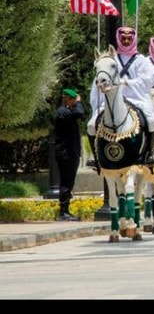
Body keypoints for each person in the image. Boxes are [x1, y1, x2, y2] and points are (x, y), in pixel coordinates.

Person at [87, 25, 154, 166]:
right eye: (123, 38)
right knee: (90, 125)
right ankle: (96, 158)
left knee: (151, 122)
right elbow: (100, 78)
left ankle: (148, 153)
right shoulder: (111, 59)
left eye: (129, 38)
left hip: (136, 98)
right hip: (113, 99)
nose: (126, 41)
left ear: (133, 39)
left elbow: (147, 80)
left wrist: (126, 82)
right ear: (119, 39)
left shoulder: (141, 60)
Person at [53, 88, 85, 221]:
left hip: (71, 153)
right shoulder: (62, 112)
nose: (75, 103)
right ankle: (63, 212)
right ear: (69, 99)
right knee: (66, 183)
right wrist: (78, 102)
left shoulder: (67, 111)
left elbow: (80, 115)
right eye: (74, 100)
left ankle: (65, 210)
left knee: (68, 182)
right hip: (66, 154)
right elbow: (80, 113)